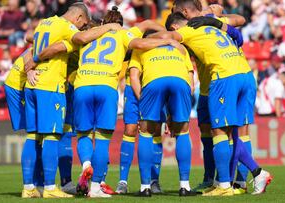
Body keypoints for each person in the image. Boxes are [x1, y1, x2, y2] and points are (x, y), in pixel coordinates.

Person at [151, 1, 272, 195]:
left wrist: (144, 38)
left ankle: (226, 184)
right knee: (236, 133)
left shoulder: (189, 29)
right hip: (245, 73)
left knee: (219, 133)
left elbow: (167, 35)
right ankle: (241, 180)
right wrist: (214, 16)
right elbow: (239, 23)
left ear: (179, 18)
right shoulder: (212, 22)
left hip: (223, 78)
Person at [73, 6, 180, 198]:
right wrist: (168, 39)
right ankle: (96, 187)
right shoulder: (124, 34)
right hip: (106, 86)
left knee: (84, 135)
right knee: (104, 139)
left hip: (82, 85)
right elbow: (141, 41)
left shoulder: (87, 34)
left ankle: (87, 165)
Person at [23, 2, 123, 198]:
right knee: (52, 136)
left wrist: (31, 64)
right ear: (78, 18)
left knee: (32, 136)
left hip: (32, 84)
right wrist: (110, 26)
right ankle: (51, 188)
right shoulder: (67, 27)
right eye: (82, 23)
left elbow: (31, 40)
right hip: (50, 85)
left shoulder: (45, 23)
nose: (81, 27)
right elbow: (82, 37)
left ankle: (29, 187)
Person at [168, 2, 245, 193]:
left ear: (184, 11)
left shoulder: (200, 24)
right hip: (206, 88)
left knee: (227, 133)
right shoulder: (199, 24)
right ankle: (210, 178)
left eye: (175, 12)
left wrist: (217, 18)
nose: (173, 16)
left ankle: (231, 179)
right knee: (207, 135)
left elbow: (240, 20)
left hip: (221, 81)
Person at [129, 29, 195, 197]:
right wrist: (176, 113)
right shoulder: (179, 47)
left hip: (154, 81)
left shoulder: (141, 47)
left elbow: (134, 77)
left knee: (145, 132)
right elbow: (190, 81)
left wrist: (142, 100)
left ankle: (145, 187)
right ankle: (185, 186)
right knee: (182, 131)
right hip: (181, 82)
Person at [115, 19, 169, 195]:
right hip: (135, 92)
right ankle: (123, 181)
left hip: (154, 92)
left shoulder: (161, 52)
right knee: (130, 130)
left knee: (155, 131)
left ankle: (154, 180)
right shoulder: (138, 49)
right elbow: (133, 76)